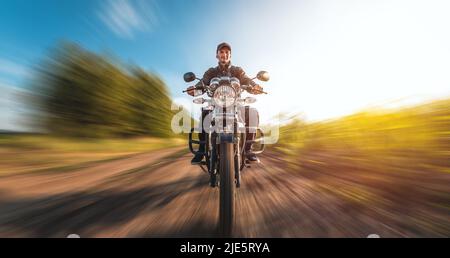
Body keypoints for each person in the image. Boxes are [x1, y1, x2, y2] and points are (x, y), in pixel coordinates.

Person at [186, 42, 264, 164]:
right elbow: (203, 82)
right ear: (217, 55)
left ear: (230, 55)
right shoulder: (211, 72)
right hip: (215, 104)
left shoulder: (237, 70)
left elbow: (246, 80)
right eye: (221, 52)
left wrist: (255, 86)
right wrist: (194, 89)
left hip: (235, 104)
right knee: (205, 114)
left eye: (227, 52)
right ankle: (201, 150)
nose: (224, 54)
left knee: (253, 113)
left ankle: (248, 150)